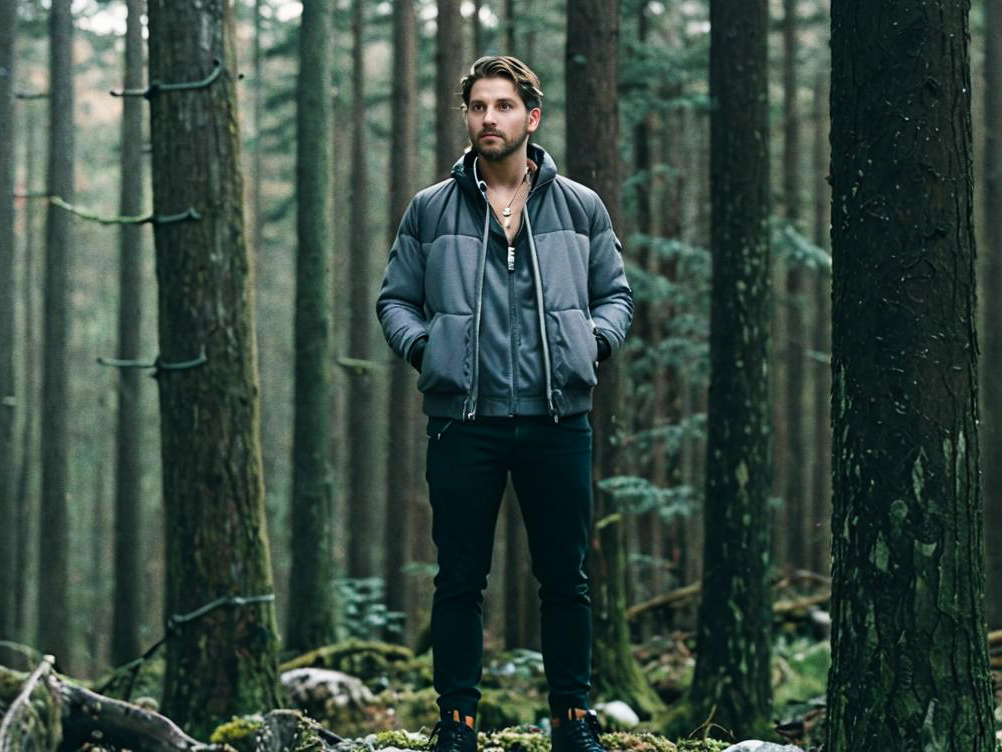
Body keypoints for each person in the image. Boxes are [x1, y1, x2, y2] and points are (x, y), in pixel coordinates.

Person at [376, 56, 633, 752]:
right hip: (464, 422)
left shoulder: (579, 206)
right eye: (479, 106)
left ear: (532, 117)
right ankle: (457, 722)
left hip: (558, 420)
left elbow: (617, 294)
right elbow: (395, 298)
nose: (490, 118)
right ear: (467, 117)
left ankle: (572, 723)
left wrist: (591, 343)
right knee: (459, 580)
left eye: (504, 106)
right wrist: (427, 351)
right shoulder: (432, 208)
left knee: (566, 579)